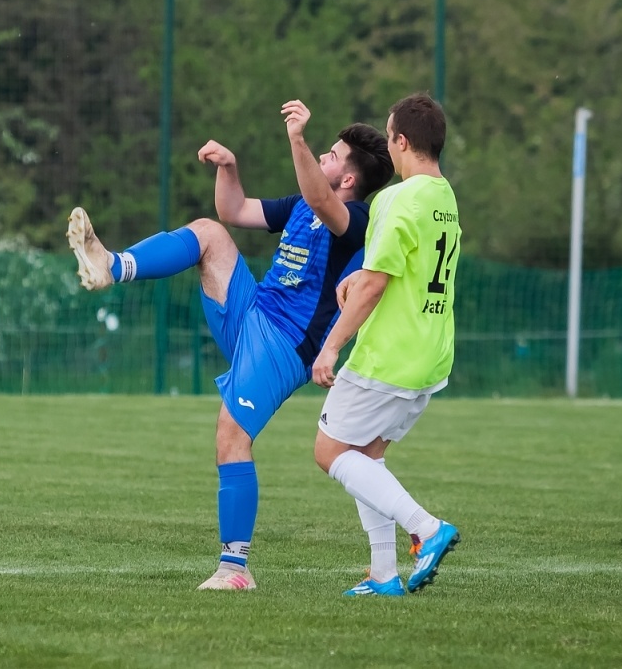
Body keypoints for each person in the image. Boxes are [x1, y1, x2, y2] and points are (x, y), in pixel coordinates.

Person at [67, 100, 391, 591]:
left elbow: (325, 205)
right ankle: (113, 266)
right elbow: (234, 210)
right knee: (210, 232)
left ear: (348, 181)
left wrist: (298, 140)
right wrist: (230, 168)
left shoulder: (355, 219)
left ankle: (234, 569)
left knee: (231, 434)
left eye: (331, 156)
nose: (322, 159)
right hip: (255, 312)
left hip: (286, 344)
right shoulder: (303, 204)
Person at [311, 92, 462, 599]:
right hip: (430, 355)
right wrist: (359, 277)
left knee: (330, 451)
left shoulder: (397, 198)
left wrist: (331, 347)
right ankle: (383, 575)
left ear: (400, 141)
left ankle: (426, 528)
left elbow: (376, 284)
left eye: (390, 137)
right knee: (367, 457)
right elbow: (398, 269)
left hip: (389, 355)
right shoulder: (444, 196)